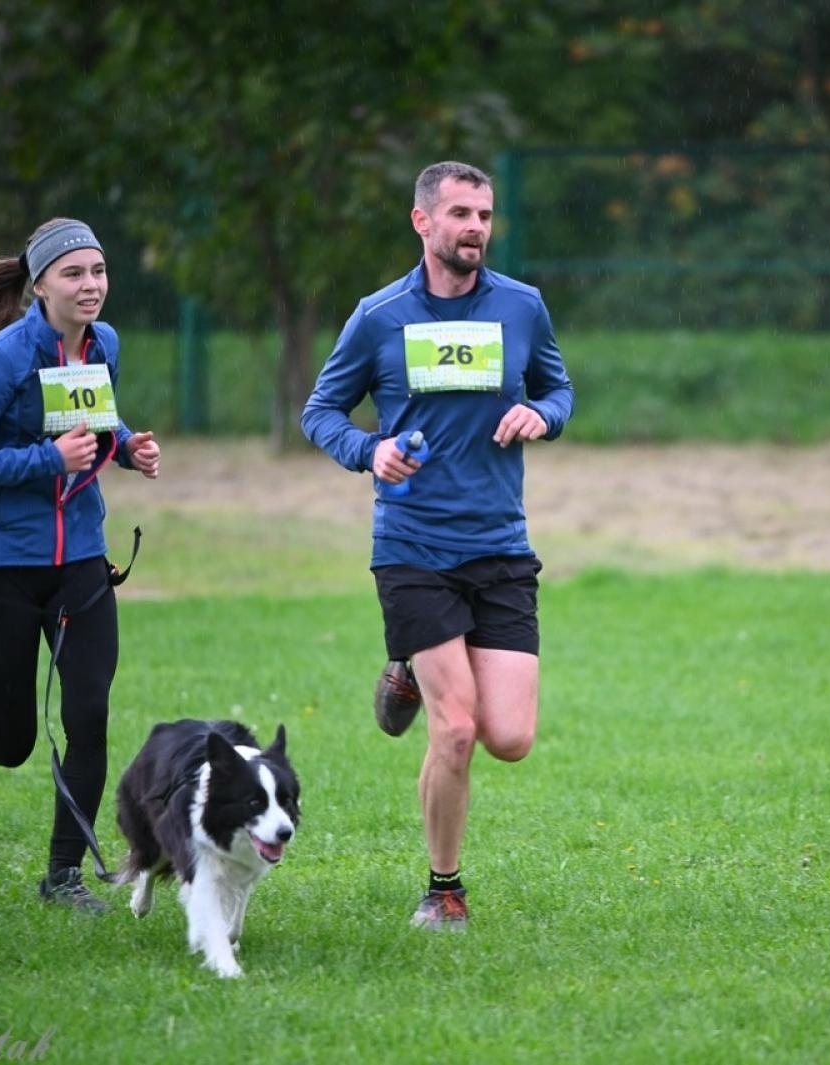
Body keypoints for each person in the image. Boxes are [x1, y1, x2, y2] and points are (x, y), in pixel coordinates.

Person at [302, 161, 574, 931]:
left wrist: (542, 416)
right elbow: (321, 410)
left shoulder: (522, 306)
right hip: (413, 545)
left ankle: (407, 668)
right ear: (423, 222)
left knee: (510, 738)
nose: (475, 228)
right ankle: (443, 888)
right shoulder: (380, 315)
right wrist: (369, 452)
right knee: (455, 729)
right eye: (459, 213)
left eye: (484, 214)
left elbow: (558, 388)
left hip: (500, 544)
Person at [0, 218, 162, 913]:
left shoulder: (103, 344)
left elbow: (93, 428)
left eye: (99, 271)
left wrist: (124, 451)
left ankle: (63, 876)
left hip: (82, 562)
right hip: (1, 569)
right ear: (41, 282)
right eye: (75, 273)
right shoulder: (4, 356)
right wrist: (48, 461)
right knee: (14, 739)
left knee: (88, 712)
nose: (91, 286)